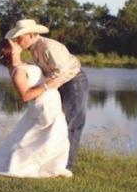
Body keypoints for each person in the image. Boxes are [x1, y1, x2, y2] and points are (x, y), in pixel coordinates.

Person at [0, 38, 72, 178]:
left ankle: (54, 167)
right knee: (50, 136)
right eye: (14, 44)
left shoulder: (24, 64)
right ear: (11, 51)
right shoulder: (17, 72)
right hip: (43, 106)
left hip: (51, 102)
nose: (18, 43)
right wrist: (48, 85)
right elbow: (25, 96)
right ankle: (38, 167)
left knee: (55, 135)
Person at [5, 19, 88, 169]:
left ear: (31, 35)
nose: (17, 41)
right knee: (55, 122)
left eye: (20, 37)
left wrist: (45, 88)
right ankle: (51, 162)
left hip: (73, 81)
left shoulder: (49, 46)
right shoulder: (33, 49)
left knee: (72, 122)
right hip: (57, 83)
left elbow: (62, 72)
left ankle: (66, 165)